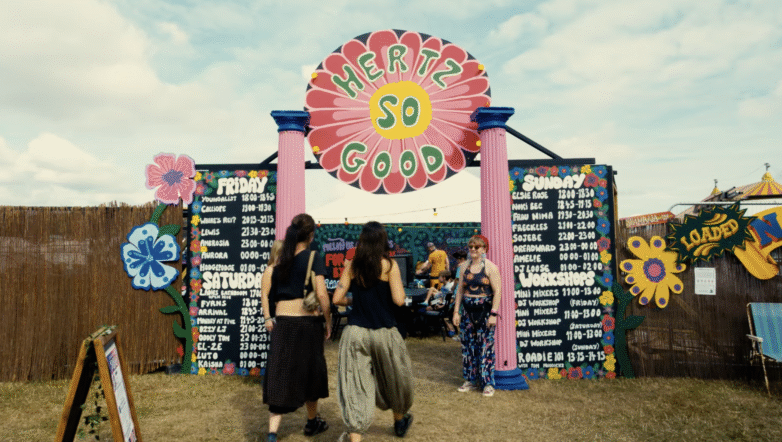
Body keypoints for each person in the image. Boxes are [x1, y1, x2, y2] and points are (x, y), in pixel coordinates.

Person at [332, 221, 414, 442]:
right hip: (384, 333)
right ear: (382, 241)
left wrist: (355, 299)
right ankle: (399, 422)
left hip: (356, 333)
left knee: (356, 386)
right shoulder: (389, 265)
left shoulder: (352, 265)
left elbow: (337, 299)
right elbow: (398, 299)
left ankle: (355, 438)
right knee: (394, 379)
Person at [260, 214, 332, 442]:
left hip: (283, 324)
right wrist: (328, 322)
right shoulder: (313, 256)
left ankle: (272, 433)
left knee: (280, 375)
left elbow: (268, 293)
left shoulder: (281, 259)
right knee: (312, 372)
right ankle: (311, 423)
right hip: (307, 324)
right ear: (311, 235)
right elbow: (321, 294)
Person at [451, 235, 502, 398]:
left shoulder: (490, 267)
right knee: (468, 347)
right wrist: (456, 312)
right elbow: (459, 290)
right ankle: (470, 380)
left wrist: (494, 313)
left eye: (477, 247)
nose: (473, 249)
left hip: (485, 312)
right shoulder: (464, 266)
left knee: (486, 346)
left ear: (484, 249)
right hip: (467, 312)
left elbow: (497, 291)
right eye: (471, 246)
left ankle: (487, 383)